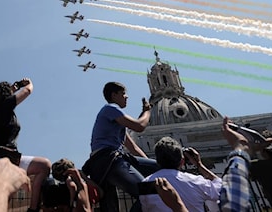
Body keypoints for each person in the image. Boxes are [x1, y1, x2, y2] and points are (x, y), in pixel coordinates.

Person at [81, 81, 160, 212]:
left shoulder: (117, 123)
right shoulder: (110, 108)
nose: (127, 96)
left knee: (111, 208)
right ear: (114, 95)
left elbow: (134, 148)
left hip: (101, 164)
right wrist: (147, 111)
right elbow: (139, 126)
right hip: (110, 160)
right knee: (148, 194)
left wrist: (146, 166)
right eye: (123, 93)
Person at [0, 78, 52, 212]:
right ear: (5, 94)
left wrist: (15, 87)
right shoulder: (4, 105)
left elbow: (13, 95)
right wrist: (29, 83)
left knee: (44, 165)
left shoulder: (1, 108)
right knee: (3, 192)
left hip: (10, 156)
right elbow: (27, 91)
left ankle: (33, 209)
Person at [139, 136, 222, 212]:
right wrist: (199, 165)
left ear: (157, 161)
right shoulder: (196, 181)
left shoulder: (146, 183)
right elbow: (221, 189)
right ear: (182, 161)